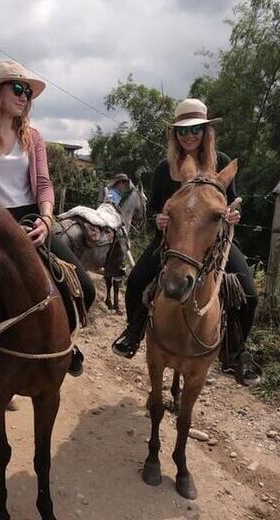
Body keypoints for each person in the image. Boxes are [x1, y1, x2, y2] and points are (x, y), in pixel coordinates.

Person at [0, 60, 93, 385]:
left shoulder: (33, 137)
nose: (24, 96)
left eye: (27, 91)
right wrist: (2, 230)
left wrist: (45, 217)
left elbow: (44, 184)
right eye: (17, 88)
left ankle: (65, 344)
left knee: (85, 287)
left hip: (31, 222)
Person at [111, 98, 260, 385]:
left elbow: (233, 203)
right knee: (137, 280)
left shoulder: (223, 163)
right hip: (171, 243)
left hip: (213, 243)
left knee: (249, 296)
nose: (189, 136)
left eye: (195, 130)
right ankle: (133, 333)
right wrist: (158, 219)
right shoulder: (164, 169)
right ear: (175, 134)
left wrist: (233, 215)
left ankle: (234, 353)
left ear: (206, 131)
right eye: (183, 130)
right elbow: (153, 207)